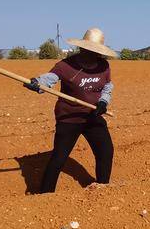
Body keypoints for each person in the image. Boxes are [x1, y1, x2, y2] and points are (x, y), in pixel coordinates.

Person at [24, 27, 116, 194]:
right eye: (89, 50)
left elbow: (108, 86)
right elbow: (49, 79)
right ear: (81, 48)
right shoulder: (65, 66)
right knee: (59, 158)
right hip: (69, 118)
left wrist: (103, 102)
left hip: (92, 116)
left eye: (96, 51)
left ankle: (103, 187)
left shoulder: (103, 65)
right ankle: (45, 194)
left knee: (106, 151)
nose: (92, 54)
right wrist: (36, 82)